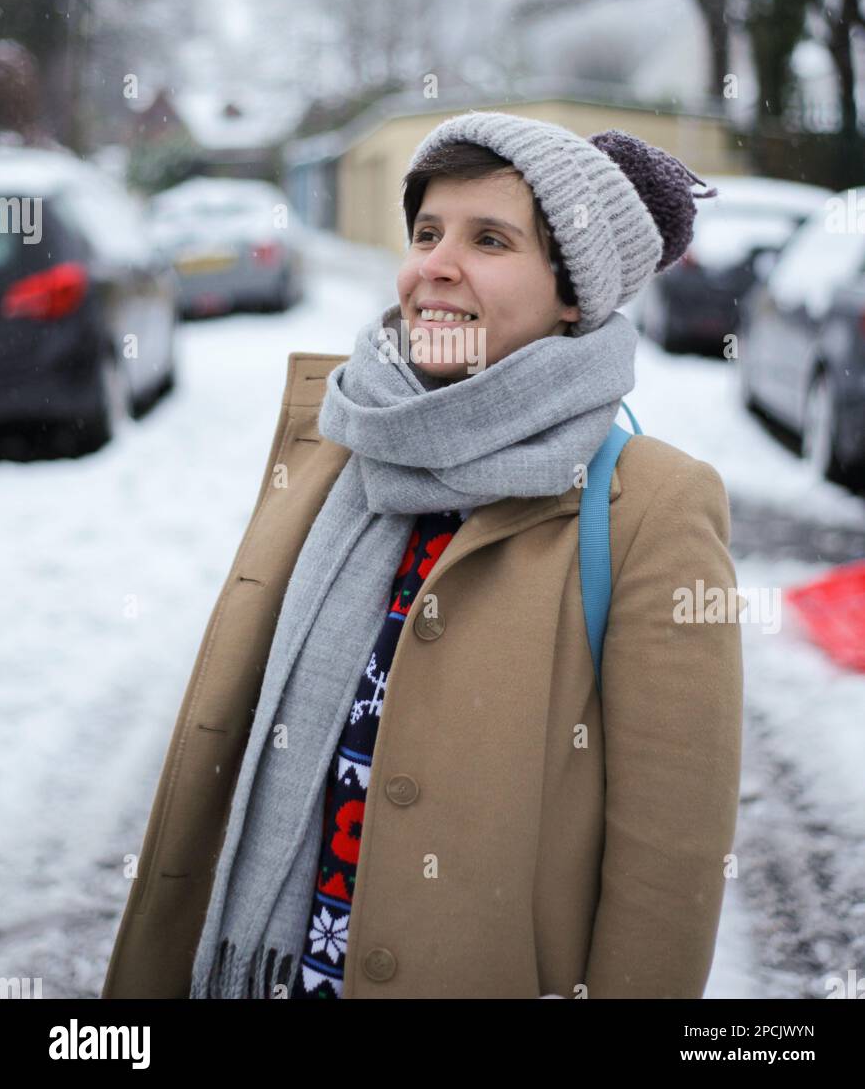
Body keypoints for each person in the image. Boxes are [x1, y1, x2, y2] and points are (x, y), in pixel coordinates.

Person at [101, 109, 743, 1000]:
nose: (434, 266)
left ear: (573, 293)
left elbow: (670, 864)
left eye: (489, 239)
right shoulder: (337, 442)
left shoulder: (651, 506)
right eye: (427, 232)